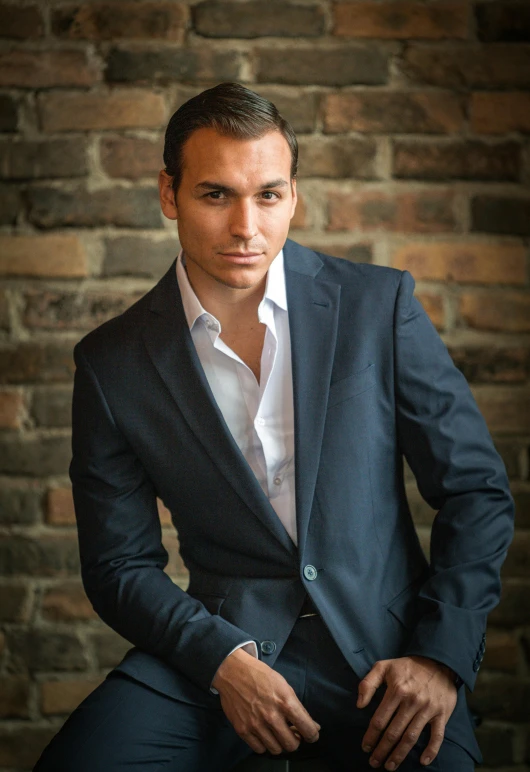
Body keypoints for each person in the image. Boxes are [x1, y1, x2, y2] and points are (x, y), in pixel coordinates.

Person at [34, 83, 514, 772]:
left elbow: (475, 490)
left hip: (390, 649)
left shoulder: (379, 307)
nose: (245, 227)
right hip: (217, 651)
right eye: (214, 194)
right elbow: (118, 564)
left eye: (268, 194)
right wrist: (220, 661)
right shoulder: (112, 364)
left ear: (293, 195)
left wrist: (440, 656)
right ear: (168, 194)